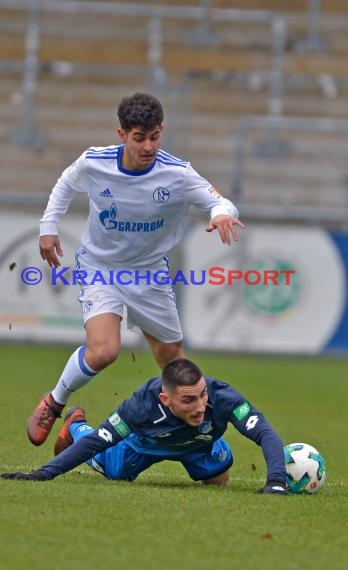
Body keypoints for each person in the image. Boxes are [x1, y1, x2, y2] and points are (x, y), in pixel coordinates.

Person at [28, 92, 245, 448]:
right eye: (138, 137)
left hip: (149, 273)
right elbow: (66, 182)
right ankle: (54, 401)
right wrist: (48, 226)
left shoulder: (176, 173)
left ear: (162, 130)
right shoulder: (95, 162)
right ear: (121, 134)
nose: (148, 146)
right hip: (101, 266)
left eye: (155, 136)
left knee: (173, 361)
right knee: (103, 350)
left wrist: (221, 213)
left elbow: (219, 200)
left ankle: (194, 430)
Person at [1, 359, 287, 494]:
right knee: (115, 472)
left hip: (199, 444)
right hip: (146, 444)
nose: (200, 406)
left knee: (218, 482)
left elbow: (263, 432)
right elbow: (100, 440)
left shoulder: (223, 397)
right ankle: (76, 426)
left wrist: (276, 482)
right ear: (166, 399)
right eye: (188, 400)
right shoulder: (141, 407)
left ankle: (207, 454)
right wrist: (41, 475)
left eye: (202, 395)